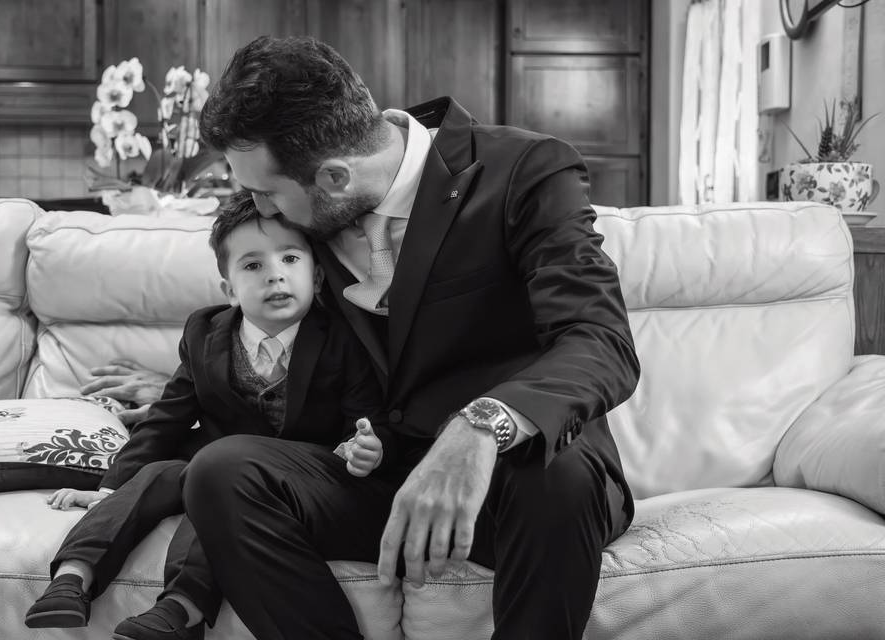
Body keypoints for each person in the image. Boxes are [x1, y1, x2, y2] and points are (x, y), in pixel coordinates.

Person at [174, 35, 642, 640]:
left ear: (335, 177)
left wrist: (481, 427)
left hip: (519, 483)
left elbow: (600, 338)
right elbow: (262, 321)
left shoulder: (525, 170)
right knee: (221, 471)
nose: (260, 210)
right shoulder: (309, 213)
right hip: (376, 475)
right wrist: (184, 380)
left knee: (555, 475)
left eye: (265, 193)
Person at [25, 191, 392, 640]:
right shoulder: (205, 332)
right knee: (159, 475)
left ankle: (182, 607)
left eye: (290, 259)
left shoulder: (342, 338)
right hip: (214, 464)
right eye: (252, 265)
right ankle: (72, 578)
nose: (275, 274)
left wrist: (366, 449)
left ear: (316, 278)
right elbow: (167, 418)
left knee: (216, 495)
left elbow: (366, 421)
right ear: (229, 290)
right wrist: (109, 487)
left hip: (288, 477)